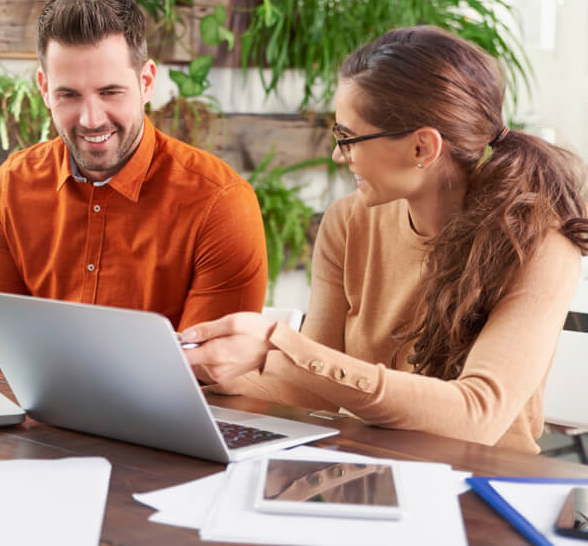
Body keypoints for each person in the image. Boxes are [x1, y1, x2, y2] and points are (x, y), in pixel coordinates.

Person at [181, 25, 588, 453]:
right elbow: (317, 388)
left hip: (485, 490)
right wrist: (205, 372)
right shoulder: (347, 223)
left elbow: (477, 417)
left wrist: (277, 346)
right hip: (363, 468)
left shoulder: (538, 246)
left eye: (348, 138)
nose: (339, 155)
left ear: (422, 148)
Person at [0, 0, 268, 358]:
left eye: (110, 92)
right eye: (68, 95)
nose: (91, 120)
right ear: (44, 88)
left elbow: (208, 380)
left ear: (147, 82)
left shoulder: (219, 204)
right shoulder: (11, 188)